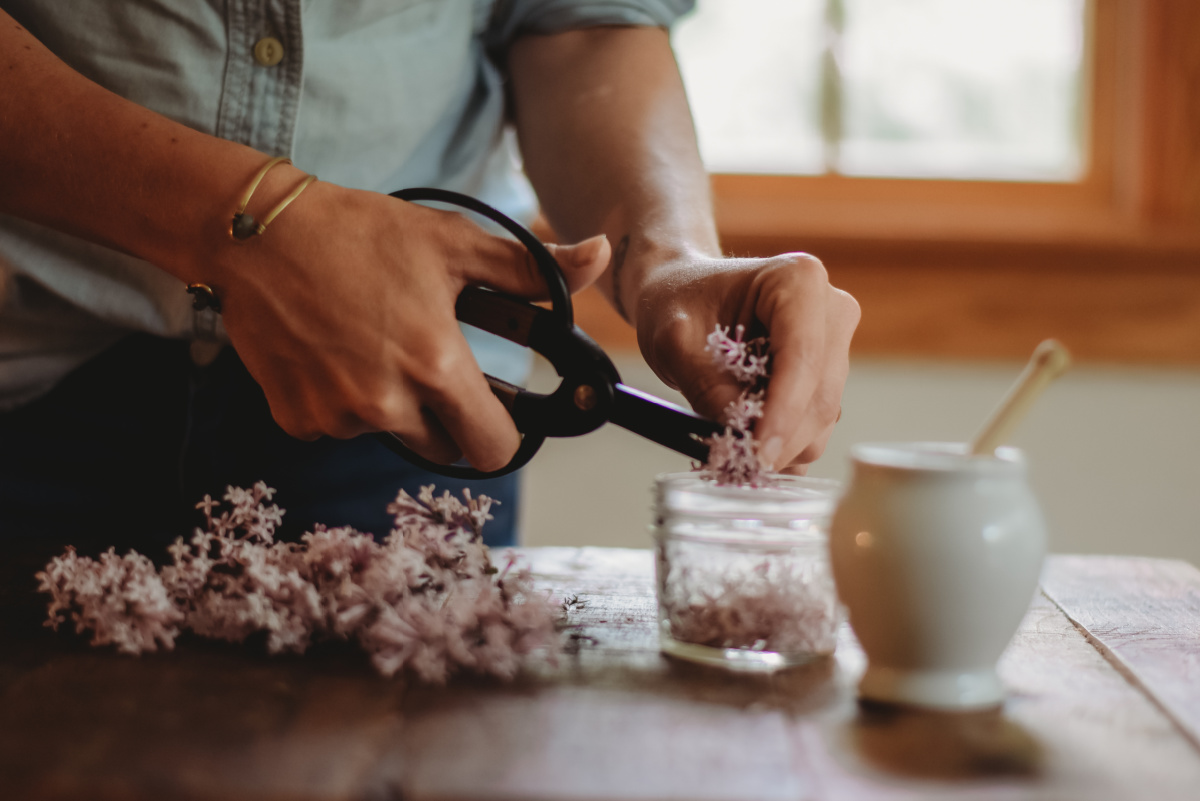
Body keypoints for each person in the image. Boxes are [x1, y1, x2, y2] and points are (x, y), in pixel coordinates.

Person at [0, 1, 859, 550]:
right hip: (28, 379)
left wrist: (670, 258)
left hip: (413, 412)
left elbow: (578, 21)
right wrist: (253, 224)